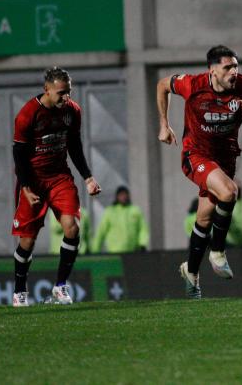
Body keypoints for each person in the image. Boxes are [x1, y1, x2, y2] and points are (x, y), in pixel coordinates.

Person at [157, 45, 242, 299]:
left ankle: (192, 273)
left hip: (225, 160)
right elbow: (163, 84)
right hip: (195, 155)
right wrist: (165, 124)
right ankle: (218, 252)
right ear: (212, 70)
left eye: (236, 66)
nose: (233, 71)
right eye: (227, 67)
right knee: (230, 192)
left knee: (205, 218)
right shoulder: (192, 85)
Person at [11, 67, 102, 307]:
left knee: (72, 227)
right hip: (33, 180)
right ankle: (20, 290)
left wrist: (88, 177)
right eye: (61, 93)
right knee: (27, 241)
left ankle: (60, 287)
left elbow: (74, 145)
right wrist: (26, 187)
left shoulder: (72, 111)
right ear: (47, 90)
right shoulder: (27, 114)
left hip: (60, 177)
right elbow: (19, 154)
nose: (66, 98)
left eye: (68, 92)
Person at [92, 186, 149, 253]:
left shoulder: (135, 211)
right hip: (114, 252)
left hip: (133, 252)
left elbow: (143, 229)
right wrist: (95, 249)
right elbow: (101, 232)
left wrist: (142, 244)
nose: (123, 197)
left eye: (125, 194)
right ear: (117, 197)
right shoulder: (110, 212)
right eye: (121, 195)